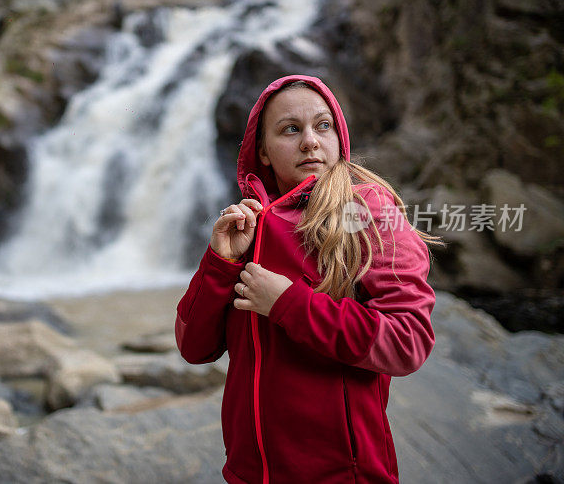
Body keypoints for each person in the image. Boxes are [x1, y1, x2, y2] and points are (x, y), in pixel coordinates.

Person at [175, 75, 444, 484]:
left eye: (323, 126)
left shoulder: (368, 210)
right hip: (249, 475)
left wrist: (287, 303)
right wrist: (220, 262)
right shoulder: (248, 224)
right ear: (262, 151)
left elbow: (407, 340)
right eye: (290, 129)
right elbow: (194, 347)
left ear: (339, 135)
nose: (310, 142)